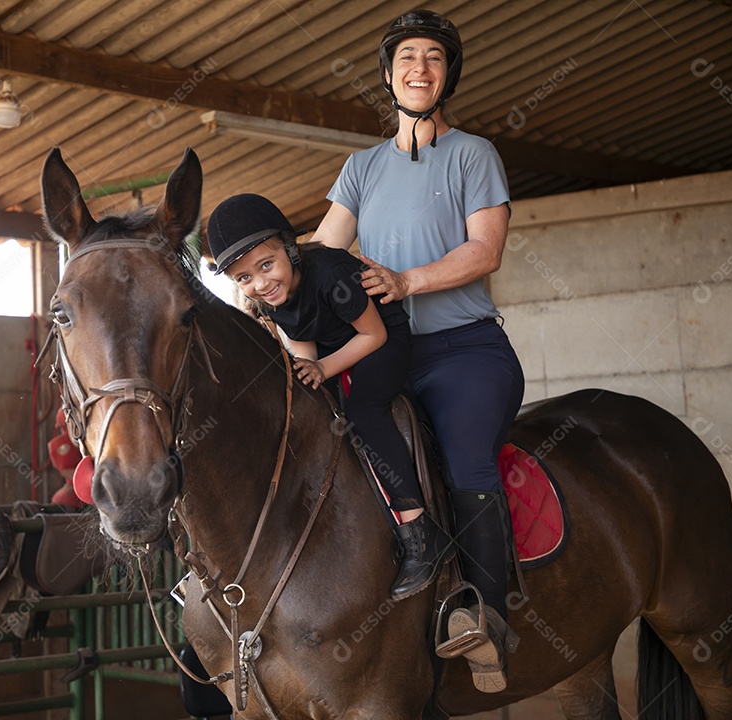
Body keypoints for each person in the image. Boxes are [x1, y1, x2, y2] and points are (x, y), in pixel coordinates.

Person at [310, 9, 525, 694]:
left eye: (434, 58)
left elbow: (485, 250)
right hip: (385, 347)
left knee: (465, 459)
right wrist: (267, 278)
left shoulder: (474, 154)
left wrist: (406, 281)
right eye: (408, 58)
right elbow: (322, 251)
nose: (420, 69)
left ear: (447, 74)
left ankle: (487, 624)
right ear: (388, 75)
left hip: (465, 350)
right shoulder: (361, 167)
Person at [206, 193, 455, 601]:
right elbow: (303, 340)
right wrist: (307, 379)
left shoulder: (331, 273)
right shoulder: (271, 298)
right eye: (244, 278)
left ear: (289, 249)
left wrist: (322, 369)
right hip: (332, 347)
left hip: (380, 342)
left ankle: (421, 532)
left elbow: (373, 335)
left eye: (266, 265)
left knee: (363, 411)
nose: (260, 283)